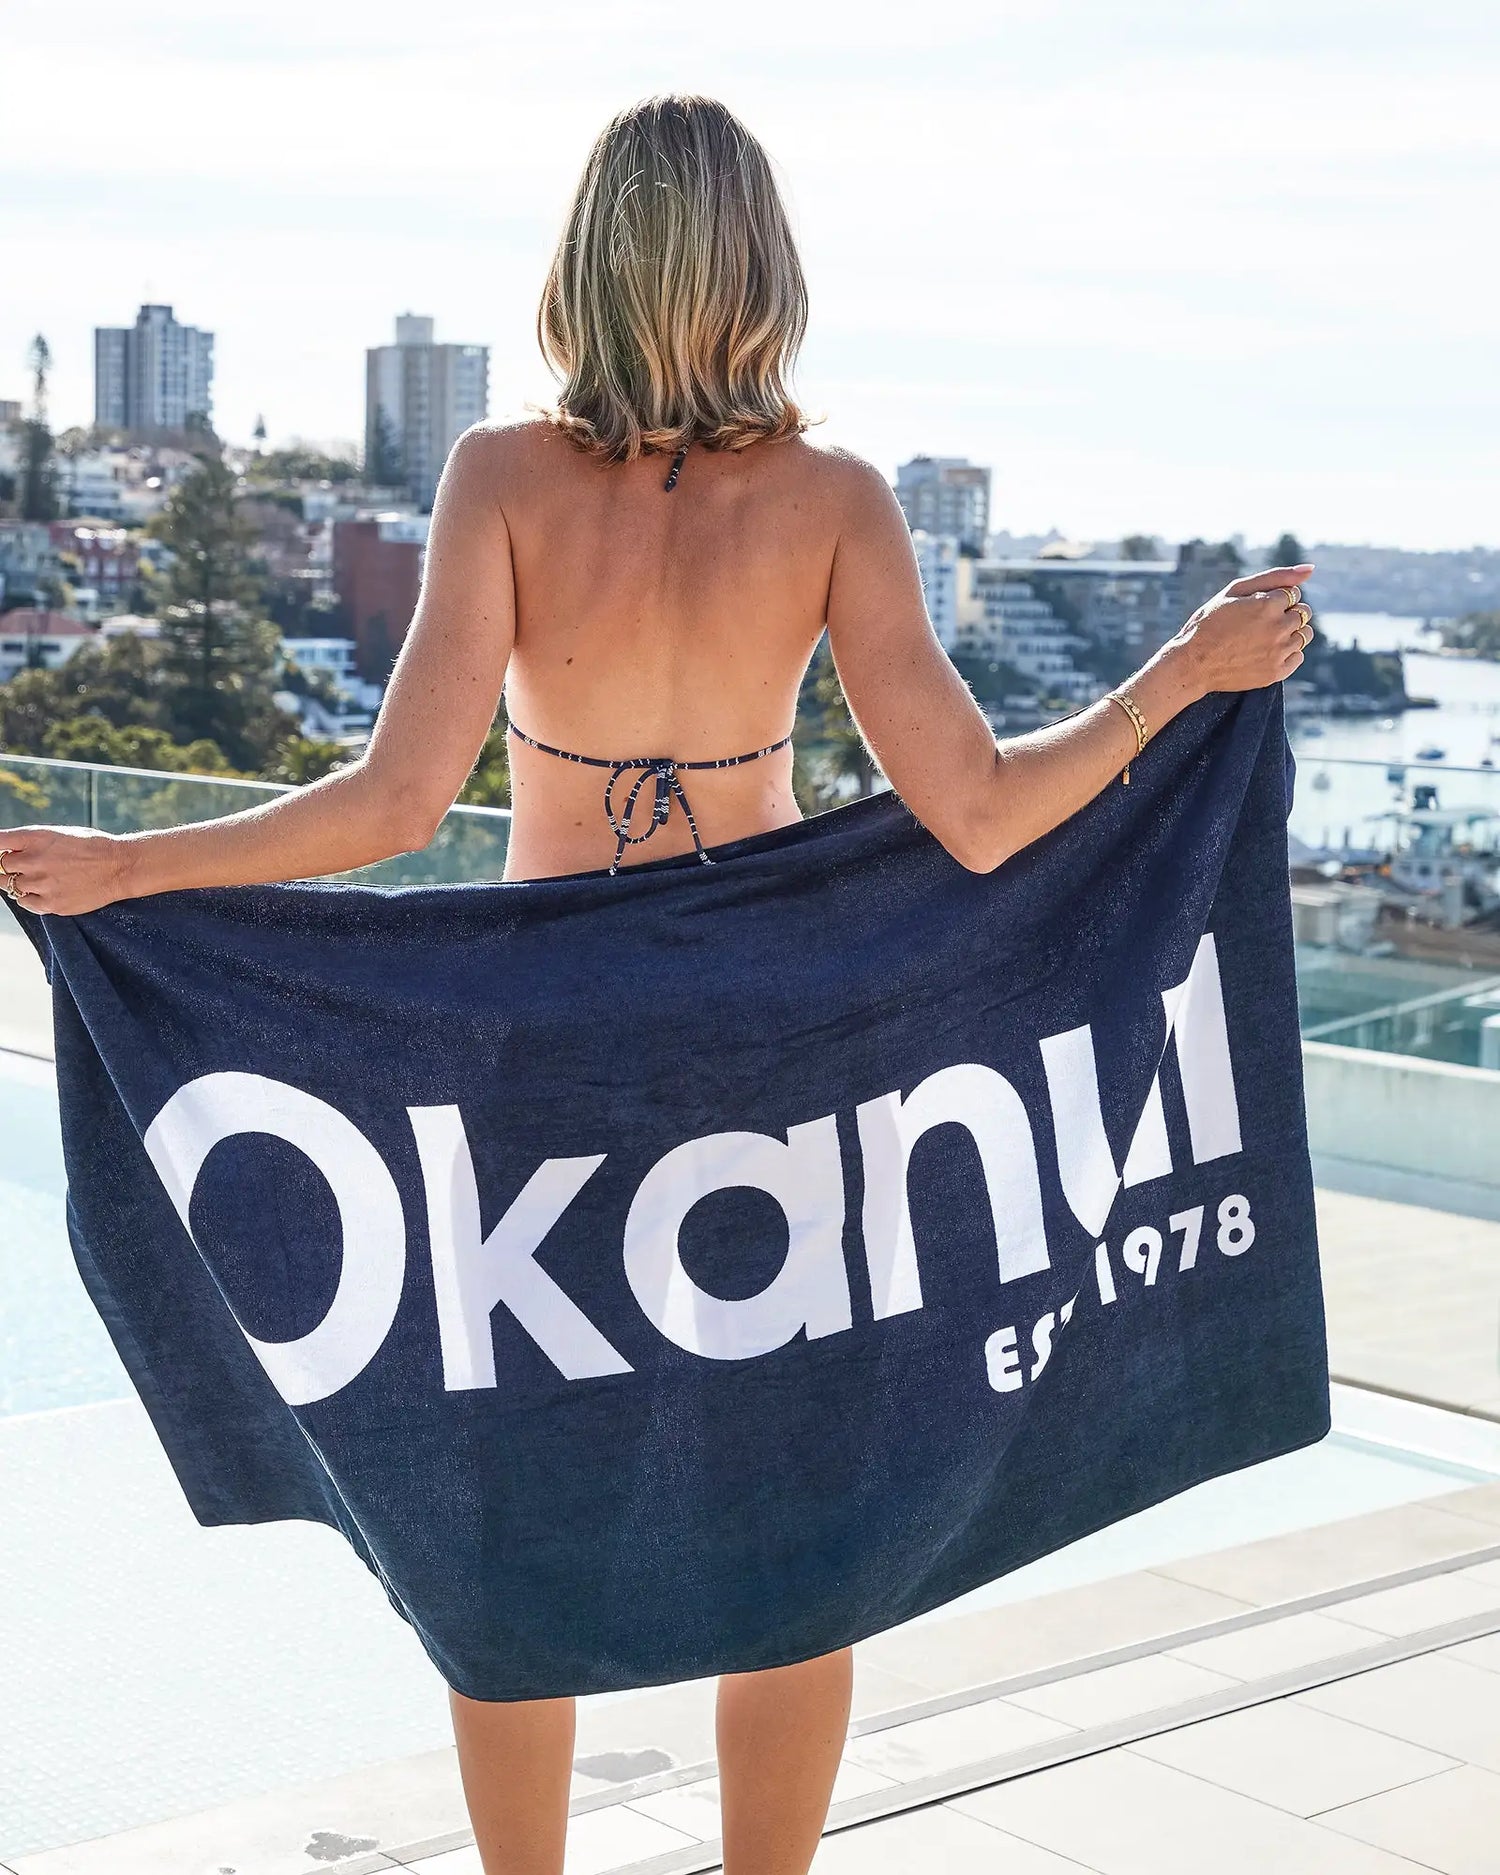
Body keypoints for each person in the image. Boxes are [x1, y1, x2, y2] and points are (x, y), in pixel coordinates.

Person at [0, 93, 1311, 1875]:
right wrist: (1180, 672)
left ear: (588, 263)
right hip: (782, 1036)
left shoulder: (503, 475)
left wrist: (130, 870)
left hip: (549, 1032)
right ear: (765, 267)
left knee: (506, 1496)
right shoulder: (835, 501)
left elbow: (397, 804)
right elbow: (991, 818)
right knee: (806, 1503)